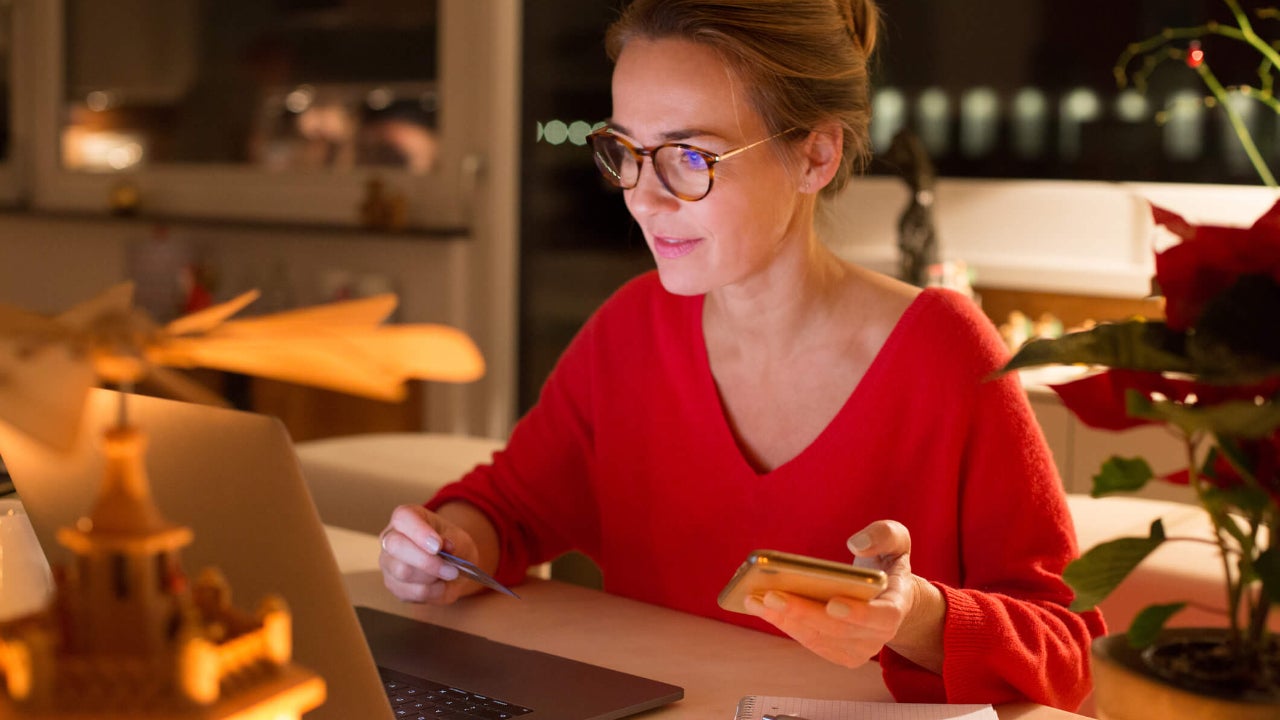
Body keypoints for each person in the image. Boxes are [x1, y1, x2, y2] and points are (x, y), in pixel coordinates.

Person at [379, 0, 1105, 711]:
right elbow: (507, 511)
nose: (645, 200)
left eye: (691, 157)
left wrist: (913, 614)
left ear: (816, 155)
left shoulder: (942, 352)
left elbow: (1066, 655)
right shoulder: (632, 329)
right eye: (626, 152)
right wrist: (442, 549)